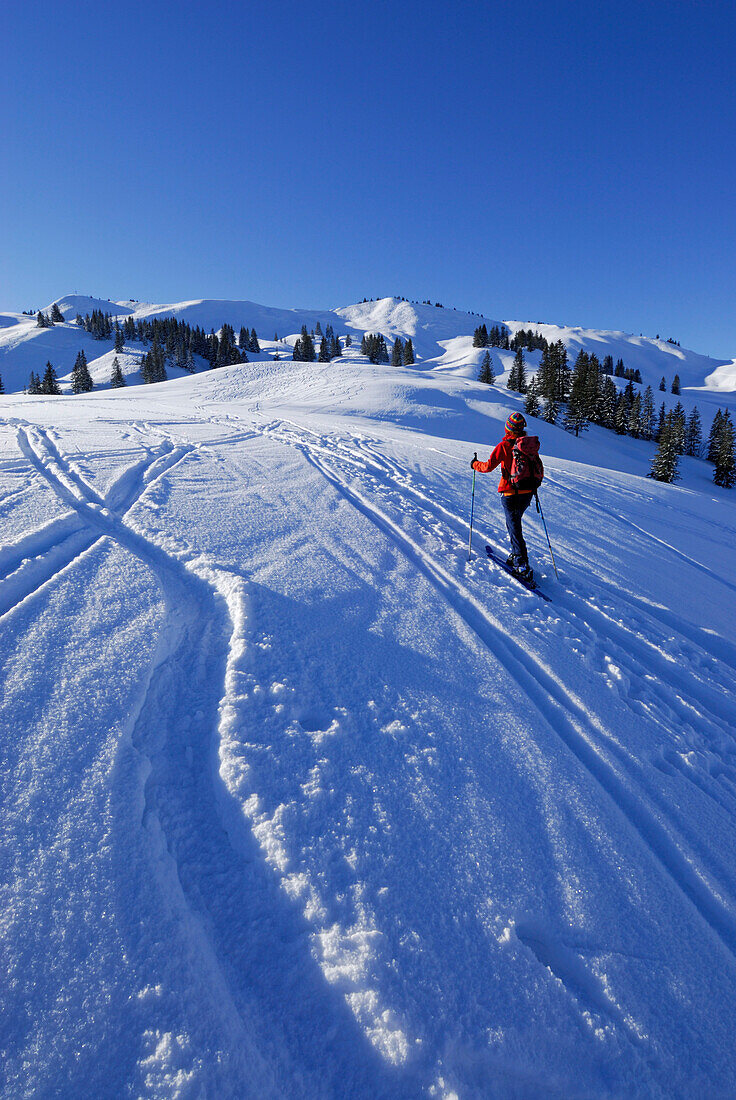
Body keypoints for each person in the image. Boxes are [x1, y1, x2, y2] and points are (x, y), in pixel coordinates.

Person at [471, 412, 535, 581]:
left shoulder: (505, 446)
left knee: (514, 527)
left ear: (508, 427)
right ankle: (516, 555)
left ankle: (522, 563)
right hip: (527, 493)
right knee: (513, 524)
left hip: (510, 493)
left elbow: (487, 467)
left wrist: (474, 464)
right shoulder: (528, 446)